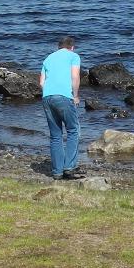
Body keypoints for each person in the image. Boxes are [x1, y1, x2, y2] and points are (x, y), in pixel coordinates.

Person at [38, 35, 82, 180]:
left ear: (58, 47)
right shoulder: (73, 56)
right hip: (63, 96)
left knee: (55, 135)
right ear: (72, 47)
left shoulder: (48, 58)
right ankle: (69, 167)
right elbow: (75, 77)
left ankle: (57, 171)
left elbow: (42, 83)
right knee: (73, 130)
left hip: (47, 97)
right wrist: (75, 96)